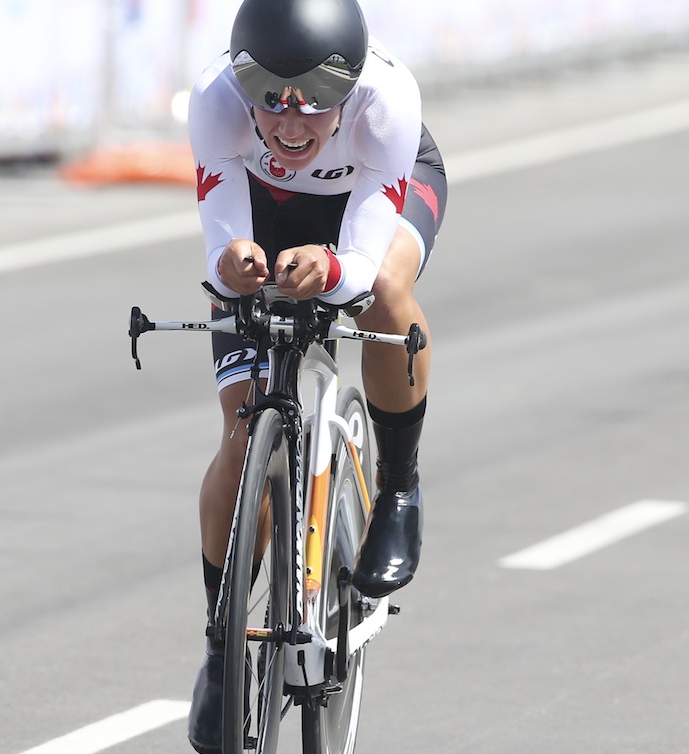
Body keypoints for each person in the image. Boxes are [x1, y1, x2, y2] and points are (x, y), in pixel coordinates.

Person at [184, 0, 446, 750]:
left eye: (314, 106)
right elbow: (221, 239)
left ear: (349, 90)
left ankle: (398, 485)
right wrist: (233, 262)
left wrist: (332, 268)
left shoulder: (386, 105)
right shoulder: (214, 103)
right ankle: (220, 642)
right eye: (271, 102)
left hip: (367, 207)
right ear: (242, 86)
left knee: (387, 294)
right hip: (269, 213)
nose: (292, 126)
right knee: (241, 437)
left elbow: (360, 266)